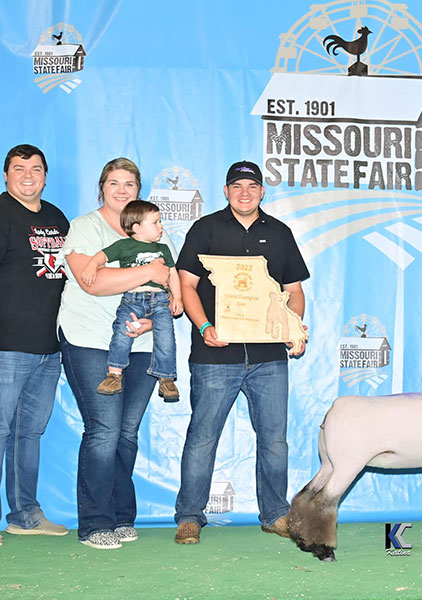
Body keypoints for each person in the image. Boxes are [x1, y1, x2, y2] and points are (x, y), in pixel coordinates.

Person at [173, 160, 309, 544]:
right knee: (202, 437)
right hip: (214, 355)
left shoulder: (280, 233)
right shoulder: (205, 229)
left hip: (268, 358)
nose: (244, 192)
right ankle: (189, 517)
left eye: (252, 186)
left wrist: (291, 325)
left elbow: (294, 291)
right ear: (226, 191)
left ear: (262, 191)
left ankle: (276, 514)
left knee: (274, 439)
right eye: (237, 186)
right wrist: (203, 327)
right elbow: (187, 285)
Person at [58, 158, 175, 549]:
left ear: (138, 190)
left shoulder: (155, 232)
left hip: (141, 344)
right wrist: (148, 273)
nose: (121, 189)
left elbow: (170, 289)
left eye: (129, 183)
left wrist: (152, 319)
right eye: (114, 182)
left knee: (126, 433)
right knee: (104, 430)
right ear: (102, 187)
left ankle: (122, 516)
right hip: (90, 339)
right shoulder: (85, 227)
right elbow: (93, 282)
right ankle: (94, 523)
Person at [0, 144, 69, 544]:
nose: (28, 175)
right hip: (7, 345)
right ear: (6, 175)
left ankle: (25, 514)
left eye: (36, 168)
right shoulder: (2, 212)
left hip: (49, 347)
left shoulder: (56, 217)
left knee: (28, 434)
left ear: (45, 175)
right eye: (19, 168)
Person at [81, 200, 182, 401]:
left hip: (160, 301)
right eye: (155, 222)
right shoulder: (124, 245)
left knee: (166, 336)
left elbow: (172, 273)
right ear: (136, 228)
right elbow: (102, 256)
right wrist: (92, 266)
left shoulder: (163, 249)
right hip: (132, 299)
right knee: (121, 333)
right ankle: (114, 374)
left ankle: (166, 377)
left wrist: (177, 297)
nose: (161, 226)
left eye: (160, 221)